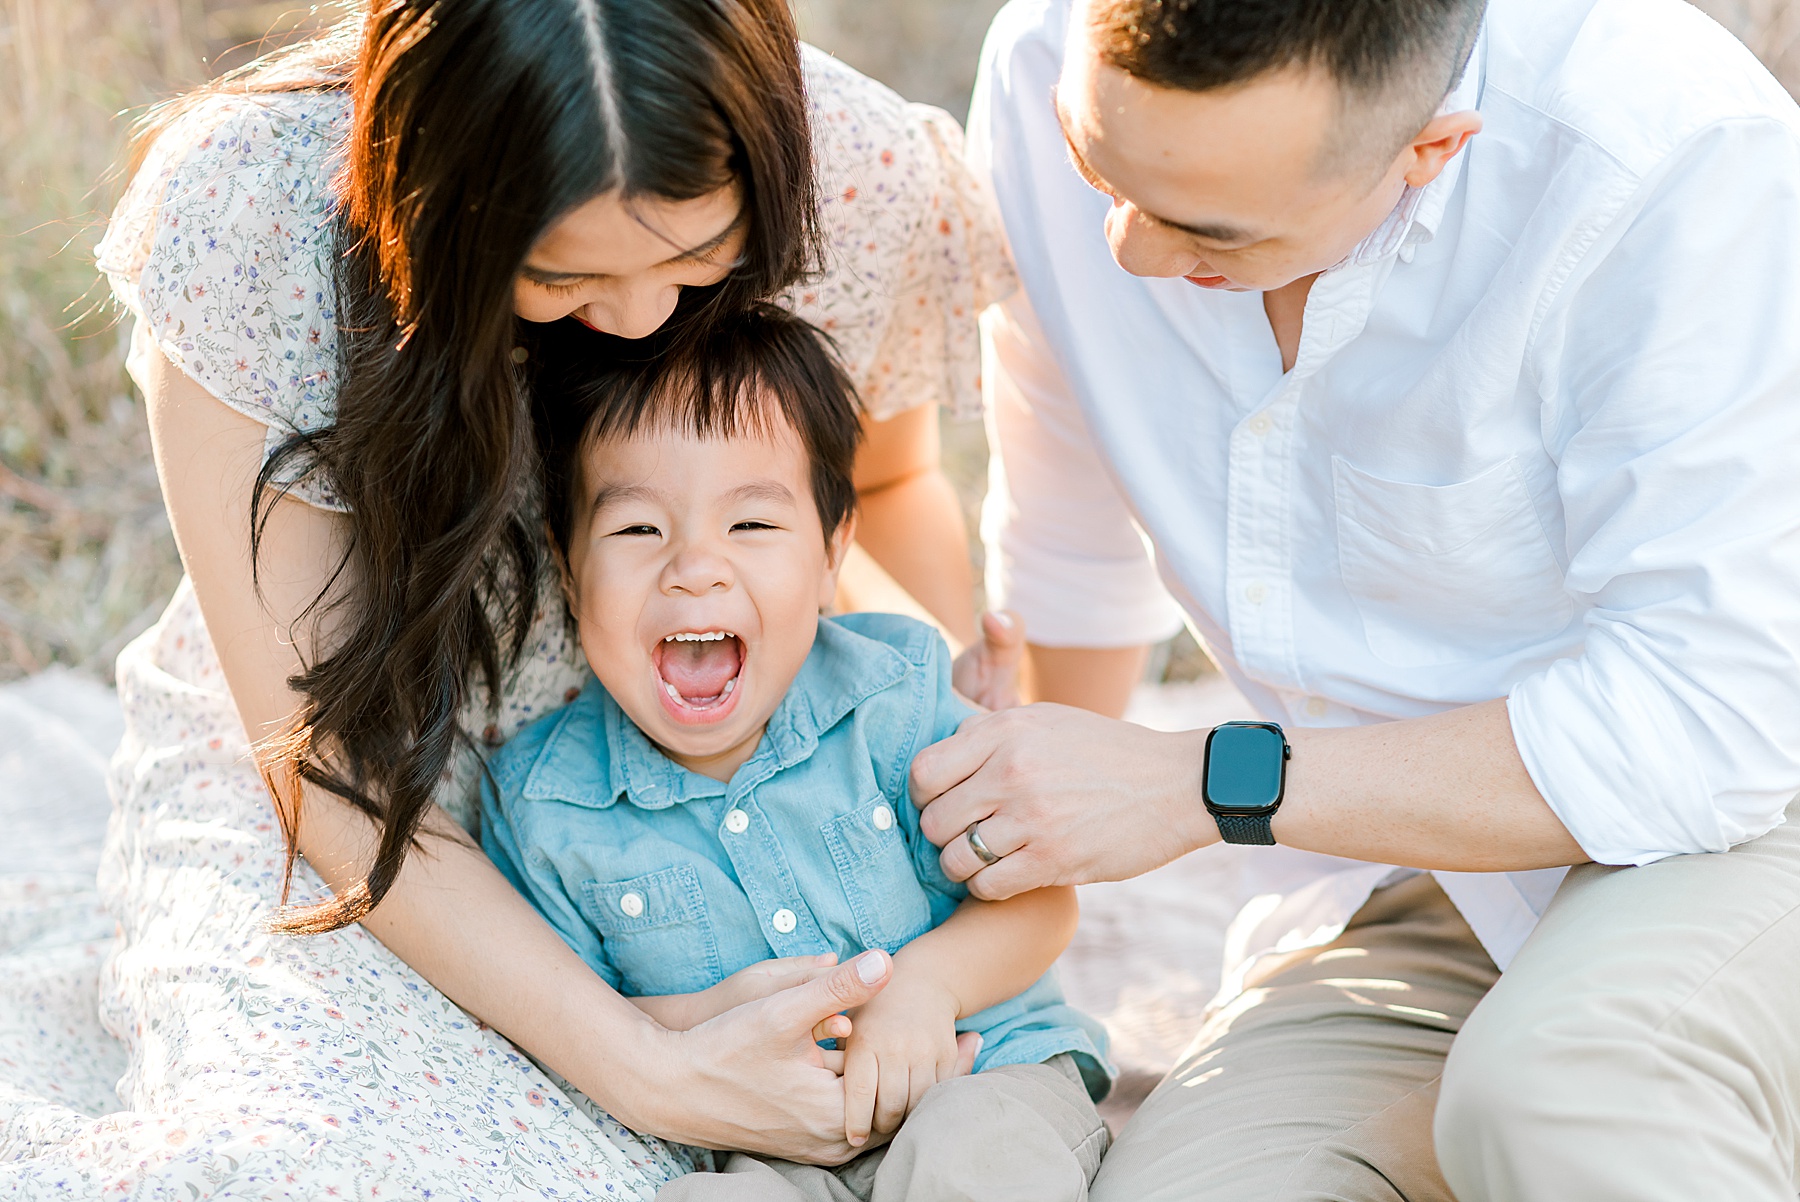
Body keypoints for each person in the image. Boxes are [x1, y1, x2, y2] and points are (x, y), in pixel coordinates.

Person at [65, 1, 1018, 1195]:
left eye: (693, 257)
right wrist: (641, 1059)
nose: (636, 318)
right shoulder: (252, 215)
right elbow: (321, 763)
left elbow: (884, 483)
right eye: (559, 271)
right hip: (371, 808)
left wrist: (933, 718)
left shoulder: (855, 169)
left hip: (743, 774)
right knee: (306, 1160)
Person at [913, 0, 1800, 1198]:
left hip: (1748, 815)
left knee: (1566, 1084)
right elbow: (1070, 504)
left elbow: (1709, 726)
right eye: (1092, 163)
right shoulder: (1042, 59)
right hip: (1400, 874)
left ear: (1431, 151)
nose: (1123, 246)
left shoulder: (1669, 157)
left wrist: (1191, 785)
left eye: (1206, 230)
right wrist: (1041, 836)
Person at [482, 305, 1111, 1201]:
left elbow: (1044, 901)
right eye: (636, 531)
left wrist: (925, 988)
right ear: (567, 562)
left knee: (975, 1157)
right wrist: (697, 1022)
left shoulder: (895, 696)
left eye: (751, 527)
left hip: (984, 1073)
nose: (694, 568)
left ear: (831, 556)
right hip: (760, 1144)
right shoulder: (547, 807)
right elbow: (567, 1013)